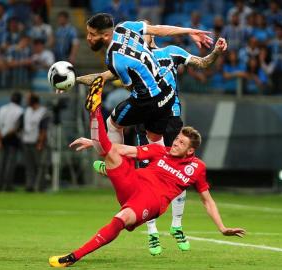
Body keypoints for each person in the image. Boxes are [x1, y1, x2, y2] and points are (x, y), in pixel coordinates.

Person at [48, 77, 245, 267]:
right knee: (109, 152)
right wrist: (93, 143)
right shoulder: (160, 150)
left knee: (121, 219)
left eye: (181, 143)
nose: (175, 143)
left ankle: (73, 257)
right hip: (133, 181)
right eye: (176, 139)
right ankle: (95, 110)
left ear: (191, 150)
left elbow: (207, 200)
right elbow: (124, 149)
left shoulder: (197, 168)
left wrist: (222, 227)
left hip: (151, 201)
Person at [78, 33, 228, 255]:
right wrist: (74, 79)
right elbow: (101, 76)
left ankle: (176, 225)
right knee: (147, 171)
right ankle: (152, 233)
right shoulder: (134, 60)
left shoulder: (171, 52)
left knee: (178, 172)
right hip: (146, 113)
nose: (139, 39)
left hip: (170, 115)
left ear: (151, 38)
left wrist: (215, 51)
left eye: (144, 35)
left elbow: (202, 62)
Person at [77, 13, 213, 147]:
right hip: (167, 95)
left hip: (149, 101)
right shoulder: (126, 27)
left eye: (92, 34)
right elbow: (160, 29)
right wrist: (189, 31)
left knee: (112, 123)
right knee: (154, 144)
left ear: (105, 35)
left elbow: (129, 87)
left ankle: (115, 165)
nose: (88, 38)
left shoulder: (115, 59)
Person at [21, 92, 50, 192]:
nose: (26, 101)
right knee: (29, 166)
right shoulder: (27, 111)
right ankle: (30, 186)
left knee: (41, 166)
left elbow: (43, 129)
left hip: (37, 142)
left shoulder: (43, 112)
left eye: (27, 99)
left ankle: (40, 187)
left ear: (32, 101)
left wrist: (40, 143)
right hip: (27, 141)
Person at [0, 92, 23, 191]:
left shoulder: (2, 109)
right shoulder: (20, 110)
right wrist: (6, 136)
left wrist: (0, 140)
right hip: (12, 140)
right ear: (20, 100)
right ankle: (8, 185)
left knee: (1, 163)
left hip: (1, 138)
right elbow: (17, 127)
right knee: (10, 165)